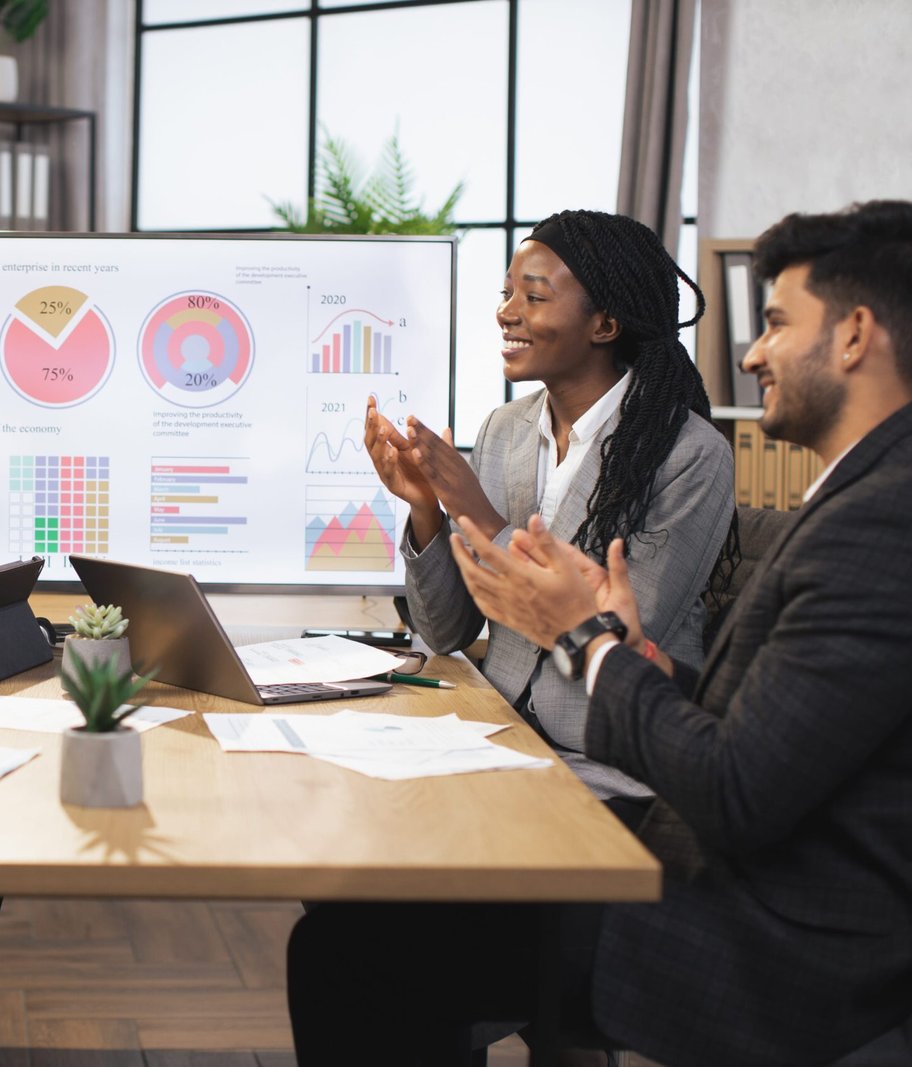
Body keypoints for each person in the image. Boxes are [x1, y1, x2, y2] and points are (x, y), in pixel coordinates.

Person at [289, 200, 912, 1066]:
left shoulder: (841, 511)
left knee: (351, 952)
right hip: (530, 752)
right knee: (359, 906)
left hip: (714, 879)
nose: (751, 352)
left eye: (774, 322)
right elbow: (453, 625)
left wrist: (569, 613)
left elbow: (710, 747)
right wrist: (432, 515)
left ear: (853, 336)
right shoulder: (859, 497)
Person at [367, 209, 736, 813]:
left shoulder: (690, 454)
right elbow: (447, 631)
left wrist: (479, 515)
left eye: (533, 297)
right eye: (507, 292)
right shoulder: (504, 431)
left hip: (611, 766)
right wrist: (428, 509)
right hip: (496, 735)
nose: (506, 312)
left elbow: (616, 631)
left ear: (606, 324)